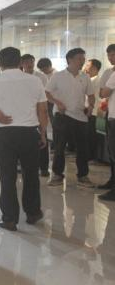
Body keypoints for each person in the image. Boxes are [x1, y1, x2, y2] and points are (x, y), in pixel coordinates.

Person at [0, 47, 49, 231]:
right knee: (31, 175)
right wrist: (43, 133)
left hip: (5, 134)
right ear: (20, 62)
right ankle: (33, 213)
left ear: (0, 63)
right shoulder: (35, 81)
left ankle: (9, 219)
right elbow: (43, 110)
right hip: (29, 133)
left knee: (7, 177)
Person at [46, 48, 95, 188]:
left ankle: (83, 176)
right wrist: (58, 103)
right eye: (79, 58)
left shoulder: (85, 77)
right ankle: (57, 174)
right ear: (70, 60)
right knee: (59, 147)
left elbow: (91, 95)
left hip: (80, 117)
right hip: (62, 116)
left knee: (82, 148)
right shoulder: (58, 76)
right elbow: (47, 93)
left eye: (83, 58)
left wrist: (91, 106)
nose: (82, 61)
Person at [24, 54, 51, 176]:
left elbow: (44, 95)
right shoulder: (21, 77)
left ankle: (44, 168)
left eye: (31, 62)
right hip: (26, 113)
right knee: (26, 141)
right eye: (26, 62)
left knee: (42, 137)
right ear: (22, 64)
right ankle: (25, 165)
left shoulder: (41, 77)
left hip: (39, 110)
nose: (29, 64)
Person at [99, 44, 115, 197]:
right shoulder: (109, 72)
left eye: (113, 55)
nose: (111, 58)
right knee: (111, 151)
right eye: (109, 55)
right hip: (110, 114)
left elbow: (104, 92)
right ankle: (112, 181)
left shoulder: (113, 74)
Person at [87, 58, 102, 160]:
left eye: (88, 66)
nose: (85, 68)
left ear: (94, 68)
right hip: (88, 111)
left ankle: (91, 156)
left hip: (93, 111)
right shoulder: (90, 80)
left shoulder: (96, 81)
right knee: (88, 135)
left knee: (91, 135)